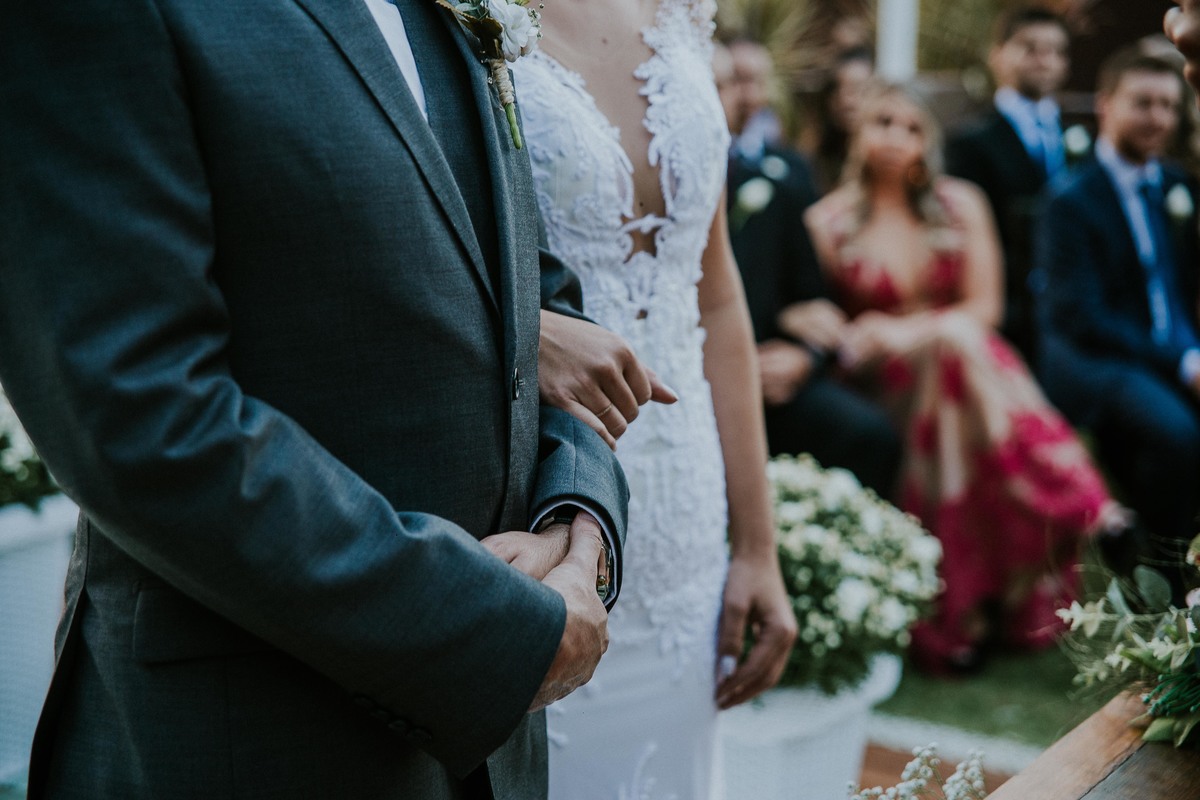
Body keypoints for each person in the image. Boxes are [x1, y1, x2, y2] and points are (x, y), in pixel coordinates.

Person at [0, 0, 636, 797]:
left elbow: (535, 302)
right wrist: (488, 629)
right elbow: (139, 421)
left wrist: (577, 526)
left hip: (498, 750)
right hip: (254, 737)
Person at [512, 0, 798, 795]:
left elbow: (715, 297)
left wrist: (756, 545)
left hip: (688, 512)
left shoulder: (678, 11)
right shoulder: (464, 17)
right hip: (541, 501)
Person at [805, 81, 1125, 673]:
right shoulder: (827, 222)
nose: (896, 139)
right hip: (882, 382)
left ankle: (963, 613)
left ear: (929, 141)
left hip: (956, 379)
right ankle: (1074, 492)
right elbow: (823, 323)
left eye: (911, 127)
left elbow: (986, 309)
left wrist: (914, 330)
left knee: (953, 353)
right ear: (859, 133)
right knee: (951, 353)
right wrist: (869, 333)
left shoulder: (963, 204)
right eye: (882, 122)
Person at [1035, 49, 1200, 605]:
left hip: (1172, 350)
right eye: (1143, 103)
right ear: (1105, 106)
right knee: (1176, 434)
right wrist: (1182, 362)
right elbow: (1082, 317)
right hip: (1093, 360)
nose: (1158, 117)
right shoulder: (1070, 200)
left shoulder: (1178, 188)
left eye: (1169, 105)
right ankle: (1162, 586)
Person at [716, 42, 903, 496]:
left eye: (754, 82)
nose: (746, 95)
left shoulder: (789, 174)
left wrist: (803, 358)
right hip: (698, 379)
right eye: (731, 81)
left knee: (872, 435)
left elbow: (813, 295)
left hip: (774, 378)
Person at [946, 7, 1072, 366]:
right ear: (997, 55)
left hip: (1069, 313)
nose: (1044, 60)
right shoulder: (970, 142)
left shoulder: (1081, 138)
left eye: (1055, 51)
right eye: (1030, 48)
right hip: (1009, 310)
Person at [810, 46, 876, 196]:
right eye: (837, 90)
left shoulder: (891, 166)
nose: (846, 101)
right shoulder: (815, 165)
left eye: (858, 89)